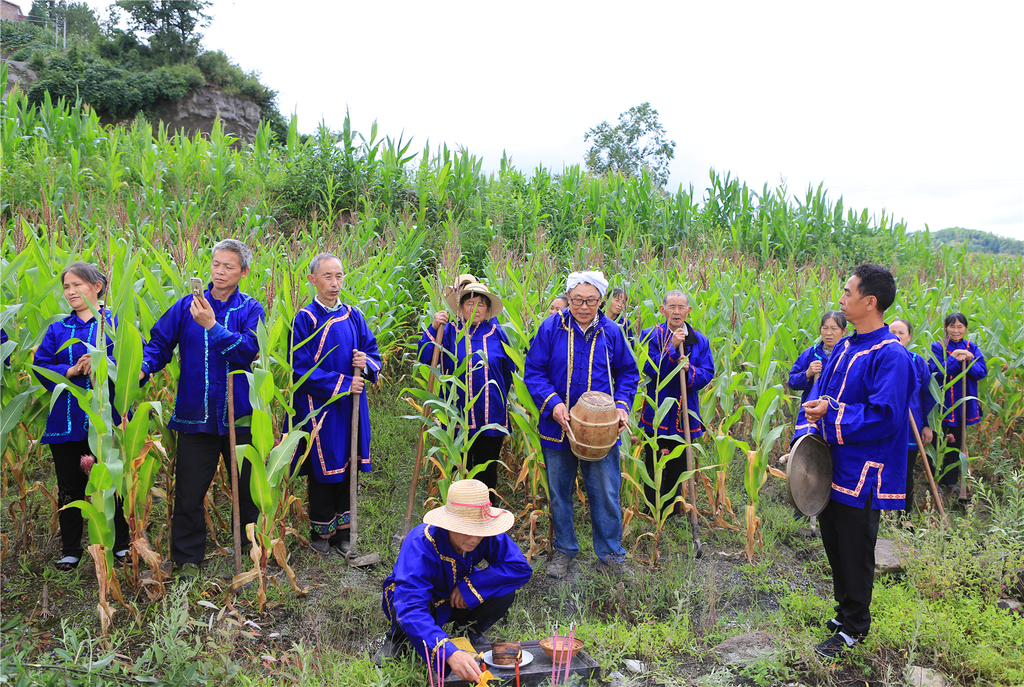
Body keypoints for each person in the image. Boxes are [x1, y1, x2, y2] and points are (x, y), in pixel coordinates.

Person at [798, 264, 913, 659]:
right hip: (834, 462)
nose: (842, 299)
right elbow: (828, 394)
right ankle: (843, 609)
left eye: (848, 293)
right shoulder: (846, 347)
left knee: (855, 546)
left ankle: (855, 627)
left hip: (865, 470)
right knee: (833, 540)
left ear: (870, 302)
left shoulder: (891, 355)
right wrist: (818, 407)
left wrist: (832, 412)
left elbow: (886, 415)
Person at [140, 239, 265, 579]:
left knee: (248, 488)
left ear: (243, 272)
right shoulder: (186, 307)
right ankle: (187, 560)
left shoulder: (250, 310)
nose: (219, 271)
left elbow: (248, 351)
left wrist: (212, 325)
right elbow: (159, 344)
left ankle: (250, 547)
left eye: (228, 266)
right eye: (215, 263)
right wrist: (143, 368)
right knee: (189, 492)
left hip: (239, 415)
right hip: (195, 415)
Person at [524, 270, 639, 580]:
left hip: (601, 431)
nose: (584, 306)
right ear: (569, 298)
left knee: (605, 489)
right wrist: (554, 404)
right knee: (560, 492)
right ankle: (564, 550)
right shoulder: (551, 327)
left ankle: (610, 554)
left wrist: (621, 406)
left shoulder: (612, 332)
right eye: (577, 299)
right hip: (557, 426)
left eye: (591, 300)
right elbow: (533, 371)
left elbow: (629, 373)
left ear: (601, 301)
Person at [375, 479, 532, 683]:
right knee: (402, 600)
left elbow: (519, 568)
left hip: (455, 597)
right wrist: (448, 652)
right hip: (420, 601)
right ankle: (397, 639)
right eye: (465, 528)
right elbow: (411, 607)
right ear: (448, 524)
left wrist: (471, 586)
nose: (474, 538)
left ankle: (467, 630)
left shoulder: (486, 534)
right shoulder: (421, 543)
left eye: (479, 530)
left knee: (504, 589)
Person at [32, 262, 131, 571]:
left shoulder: (113, 324)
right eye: (66, 287)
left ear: (97, 287)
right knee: (70, 489)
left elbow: (131, 364)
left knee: (111, 482)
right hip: (66, 422)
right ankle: (71, 549)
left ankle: (120, 545)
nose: (71, 292)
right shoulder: (59, 329)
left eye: (78, 285)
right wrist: (70, 370)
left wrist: (106, 363)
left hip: (105, 424)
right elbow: (41, 365)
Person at [290, 253, 382, 555]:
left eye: (339, 276)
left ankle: (345, 531)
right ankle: (322, 531)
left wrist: (365, 363)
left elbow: (373, 353)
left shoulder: (354, 315)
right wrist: (342, 384)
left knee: (348, 461)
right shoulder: (305, 318)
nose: (334, 283)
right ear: (313, 280)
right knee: (323, 466)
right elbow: (300, 367)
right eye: (327, 276)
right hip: (319, 406)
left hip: (352, 405)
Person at [419, 282, 513, 492]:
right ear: (460, 307)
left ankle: (485, 518)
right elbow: (426, 357)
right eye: (470, 303)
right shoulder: (448, 331)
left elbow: (508, 372)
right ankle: (459, 521)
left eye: (481, 304)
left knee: (486, 473)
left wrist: (498, 400)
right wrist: (433, 327)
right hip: (457, 416)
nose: (475, 308)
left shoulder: (498, 333)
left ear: (488, 309)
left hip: (492, 417)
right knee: (459, 470)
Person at [637, 290, 715, 513]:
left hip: (684, 412)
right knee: (654, 461)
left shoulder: (700, 341)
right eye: (672, 307)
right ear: (663, 310)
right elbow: (650, 368)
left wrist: (690, 370)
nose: (676, 312)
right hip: (658, 410)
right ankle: (652, 509)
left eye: (681, 307)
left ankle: (673, 510)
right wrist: (671, 348)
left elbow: (707, 373)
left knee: (679, 462)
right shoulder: (650, 335)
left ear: (688, 311)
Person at [929, 312, 987, 497]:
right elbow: (938, 372)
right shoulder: (938, 347)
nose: (956, 330)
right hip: (943, 403)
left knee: (957, 440)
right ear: (946, 327)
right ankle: (934, 477)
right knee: (939, 439)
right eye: (952, 326)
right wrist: (954, 357)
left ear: (966, 328)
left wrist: (969, 359)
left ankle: (950, 481)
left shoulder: (972, 347)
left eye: (960, 326)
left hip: (962, 404)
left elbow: (981, 372)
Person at [889, 318, 936, 516]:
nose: (897, 336)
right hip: (885, 427)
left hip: (911, 428)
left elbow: (927, 395)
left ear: (909, 336)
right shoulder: (877, 359)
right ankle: (882, 514)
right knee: (882, 469)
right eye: (892, 332)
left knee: (906, 472)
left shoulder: (917, 362)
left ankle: (904, 515)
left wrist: (926, 425)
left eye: (901, 333)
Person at [788, 311, 848, 404]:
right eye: (825, 328)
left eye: (834, 328)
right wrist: (807, 374)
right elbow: (792, 382)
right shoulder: (811, 354)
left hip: (840, 410)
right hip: (813, 409)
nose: (828, 333)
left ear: (844, 331)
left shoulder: (849, 355)